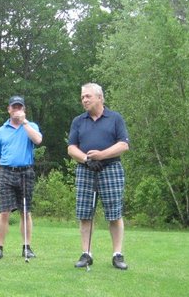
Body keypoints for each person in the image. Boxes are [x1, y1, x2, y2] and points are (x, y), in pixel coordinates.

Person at [67, 83, 130, 270]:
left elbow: (124, 145)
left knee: (114, 213)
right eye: (82, 97)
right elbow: (71, 148)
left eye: (88, 96)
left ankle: (117, 255)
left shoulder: (115, 118)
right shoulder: (78, 121)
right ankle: (86, 254)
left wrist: (101, 155)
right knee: (85, 214)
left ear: (100, 97)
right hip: (86, 170)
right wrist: (86, 159)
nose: (84, 100)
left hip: (111, 168)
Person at [0, 95, 42, 260]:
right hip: (5, 172)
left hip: (26, 171)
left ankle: (27, 247)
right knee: (4, 211)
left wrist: (25, 123)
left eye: (19, 107)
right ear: (9, 109)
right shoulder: (0, 131)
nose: (16, 110)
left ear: (23, 109)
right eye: (14, 107)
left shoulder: (31, 126)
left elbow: (38, 140)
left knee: (25, 211)